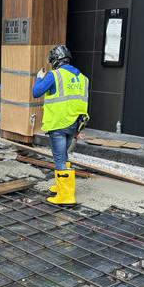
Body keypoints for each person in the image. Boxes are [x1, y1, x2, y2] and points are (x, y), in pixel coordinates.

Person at [32, 45, 89, 205]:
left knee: (59, 158)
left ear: (55, 61)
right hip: (74, 124)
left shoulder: (54, 76)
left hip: (58, 123)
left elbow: (36, 92)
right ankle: (61, 187)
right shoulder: (83, 78)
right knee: (63, 156)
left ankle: (66, 197)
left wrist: (39, 78)